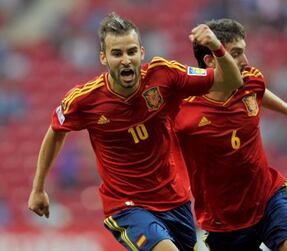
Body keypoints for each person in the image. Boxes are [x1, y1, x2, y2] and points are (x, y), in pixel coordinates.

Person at [28, 13, 243, 251]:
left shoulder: (164, 75)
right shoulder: (84, 99)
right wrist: (38, 189)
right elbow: (56, 132)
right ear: (103, 57)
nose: (126, 59)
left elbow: (231, 82)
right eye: (117, 53)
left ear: (141, 52)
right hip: (127, 206)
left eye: (131, 51)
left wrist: (216, 47)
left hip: (175, 199)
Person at [174, 19, 287, 251]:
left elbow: (258, 91)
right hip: (224, 221)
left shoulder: (251, 79)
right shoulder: (183, 110)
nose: (245, 61)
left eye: (243, 52)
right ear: (210, 61)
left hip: (268, 198)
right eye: (236, 54)